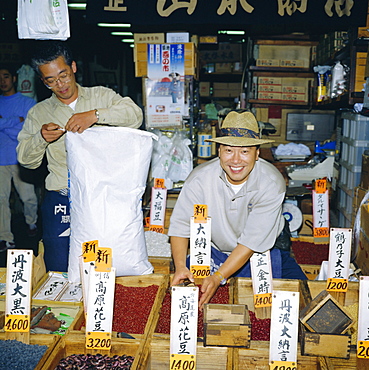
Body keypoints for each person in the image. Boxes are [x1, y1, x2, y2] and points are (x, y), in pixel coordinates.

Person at [17, 42, 143, 272]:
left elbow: (135, 115)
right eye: (51, 81)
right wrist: (41, 137)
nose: (60, 85)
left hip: (103, 197)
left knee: (101, 264)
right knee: (59, 266)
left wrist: (96, 115)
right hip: (61, 198)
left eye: (63, 75)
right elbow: (26, 160)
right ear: (43, 82)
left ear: (73, 67)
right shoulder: (39, 112)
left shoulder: (101, 96)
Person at [168, 111, 307, 309]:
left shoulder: (271, 183)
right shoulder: (199, 179)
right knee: (184, 302)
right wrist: (180, 266)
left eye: (244, 152)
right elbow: (181, 225)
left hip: (260, 252)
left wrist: (218, 277)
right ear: (218, 151)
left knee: (300, 297)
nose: (235, 160)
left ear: (257, 153)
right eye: (228, 150)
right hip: (212, 252)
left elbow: (251, 242)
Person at [0, 65, 38, 252]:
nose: (2, 81)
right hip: (0, 159)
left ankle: (32, 223)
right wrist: (16, 120)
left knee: (28, 198)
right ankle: (6, 237)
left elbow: (27, 133)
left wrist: (3, 123)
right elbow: (19, 127)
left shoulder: (27, 102)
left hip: (22, 158)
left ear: (14, 78)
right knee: (1, 201)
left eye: (6, 76)